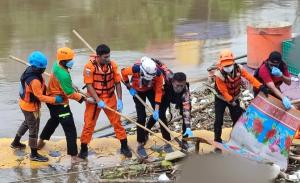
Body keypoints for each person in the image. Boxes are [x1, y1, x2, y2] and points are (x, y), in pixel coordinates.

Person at [78, 44, 132, 159]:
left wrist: (120, 100)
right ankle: (83, 149)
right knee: (88, 124)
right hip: (93, 98)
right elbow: (89, 85)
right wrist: (98, 101)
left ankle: (124, 146)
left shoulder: (112, 65)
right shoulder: (89, 67)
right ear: (98, 56)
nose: (108, 59)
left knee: (117, 122)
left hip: (110, 96)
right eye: (105, 57)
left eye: (109, 56)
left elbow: (117, 83)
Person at [11, 51, 63, 162]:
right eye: (43, 68)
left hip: (24, 104)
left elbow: (41, 88)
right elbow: (40, 97)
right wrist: (55, 99)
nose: (44, 70)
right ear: (37, 68)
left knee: (27, 123)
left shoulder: (30, 70)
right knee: (33, 130)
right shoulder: (34, 80)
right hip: (30, 108)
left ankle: (15, 142)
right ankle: (34, 154)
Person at [37, 47, 85, 163]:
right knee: (70, 129)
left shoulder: (56, 64)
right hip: (59, 103)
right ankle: (73, 157)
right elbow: (69, 94)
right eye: (69, 59)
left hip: (51, 101)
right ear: (63, 61)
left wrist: (71, 84)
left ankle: (41, 141)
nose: (72, 61)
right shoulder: (64, 75)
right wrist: (84, 98)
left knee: (54, 120)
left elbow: (63, 83)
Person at [214, 49, 267, 144]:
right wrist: (231, 101)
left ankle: (235, 138)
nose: (228, 67)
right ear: (222, 65)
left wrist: (260, 86)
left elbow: (250, 78)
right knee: (218, 120)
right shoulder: (219, 75)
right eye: (225, 66)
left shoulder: (239, 68)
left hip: (234, 97)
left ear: (233, 62)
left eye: (229, 65)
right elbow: (224, 91)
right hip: (221, 99)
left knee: (237, 119)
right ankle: (217, 139)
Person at [121, 56, 163, 157]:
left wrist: (156, 110)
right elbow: (123, 72)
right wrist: (128, 86)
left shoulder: (158, 74)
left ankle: (147, 130)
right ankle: (140, 142)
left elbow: (158, 91)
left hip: (150, 90)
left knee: (158, 112)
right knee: (141, 117)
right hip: (137, 92)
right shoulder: (135, 68)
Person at [146, 72, 193, 152]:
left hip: (178, 98)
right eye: (177, 85)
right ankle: (165, 140)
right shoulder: (166, 81)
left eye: (182, 85)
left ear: (185, 83)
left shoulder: (185, 92)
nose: (179, 88)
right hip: (165, 96)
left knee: (186, 116)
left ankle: (185, 141)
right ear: (172, 82)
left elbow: (186, 112)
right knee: (160, 115)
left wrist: (188, 126)